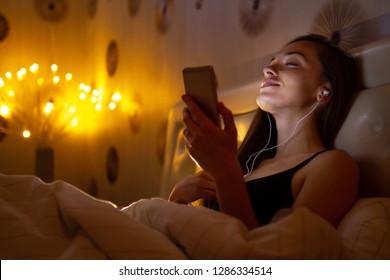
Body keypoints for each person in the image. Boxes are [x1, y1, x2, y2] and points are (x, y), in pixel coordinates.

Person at [169, 34, 359, 230]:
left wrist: (225, 170)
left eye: (292, 63)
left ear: (324, 91)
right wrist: (178, 197)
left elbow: (279, 252)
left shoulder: (333, 165)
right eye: (271, 63)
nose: (268, 70)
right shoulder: (246, 164)